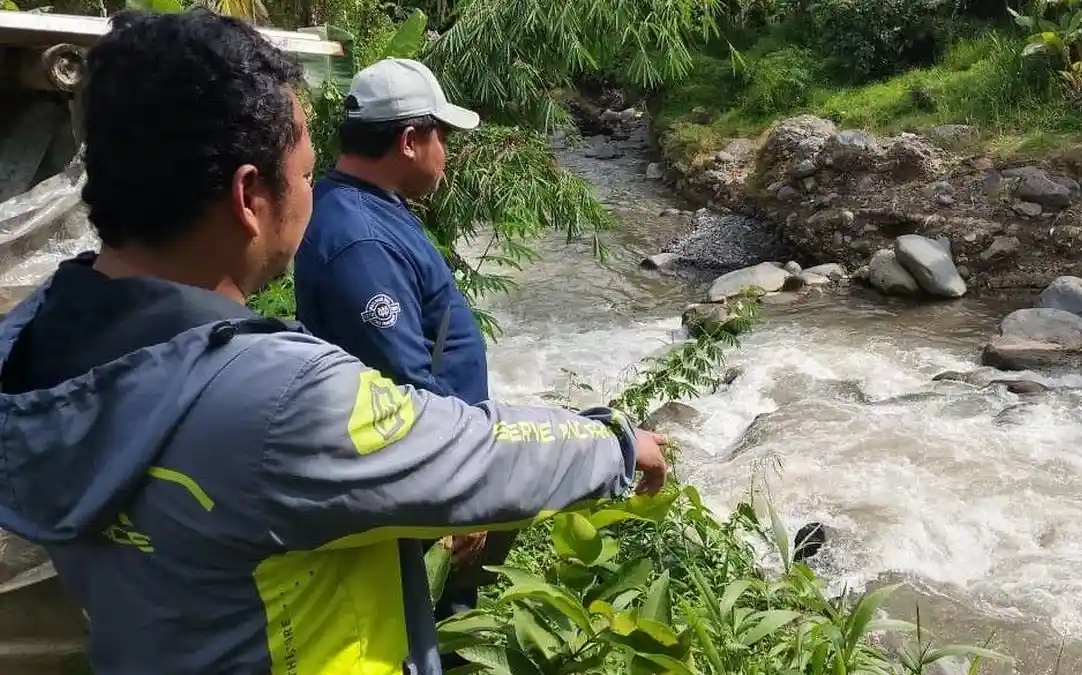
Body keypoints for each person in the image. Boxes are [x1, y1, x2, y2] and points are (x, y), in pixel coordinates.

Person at [0, 9, 668, 675]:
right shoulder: (272, 398)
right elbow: (465, 453)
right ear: (249, 195)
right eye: (303, 175)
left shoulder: (33, 337)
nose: (312, 196)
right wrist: (612, 441)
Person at [292, 57, 497, 654]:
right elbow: (402, 383)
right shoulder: (361, 239)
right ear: (409, 140)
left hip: (424, 476)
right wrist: (459, 499)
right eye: (442, 136)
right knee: (416, 641)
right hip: (416, 490)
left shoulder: (366, 207)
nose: (447, 152)